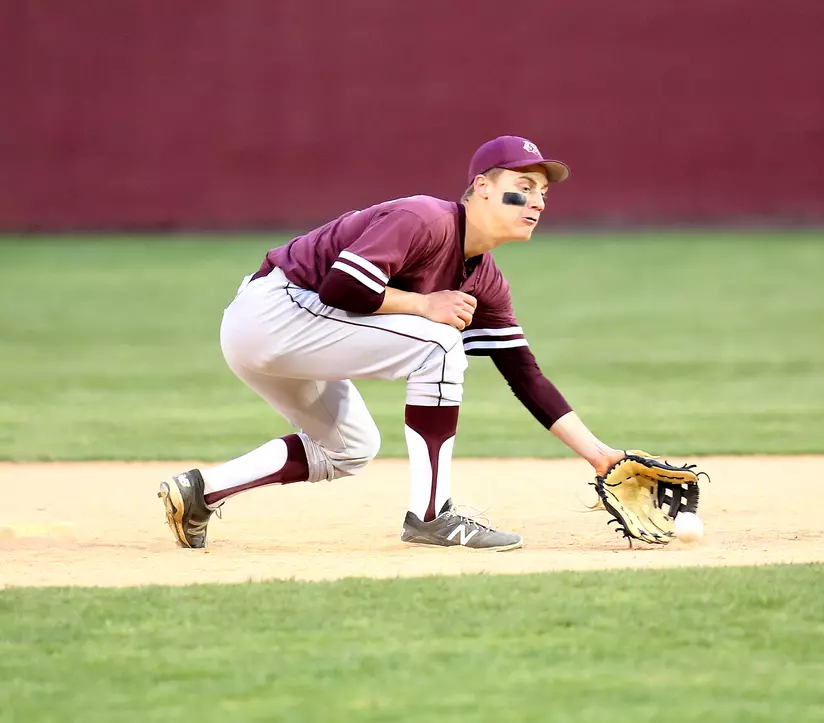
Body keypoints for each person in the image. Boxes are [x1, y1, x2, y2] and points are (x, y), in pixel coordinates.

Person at [159, 135, 626, 552]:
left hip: (284, 334)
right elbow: (339, 289)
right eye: (523, 187)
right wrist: (423, 306)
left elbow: (524, 374)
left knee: (348, 447)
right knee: (440, 345)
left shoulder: (484, 278)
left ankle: (201, 491)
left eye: (543, 193)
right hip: (273, 311)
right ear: (481, 186)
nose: (537, 202)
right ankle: (432, 516)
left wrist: (600, 455)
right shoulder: (424, 218)